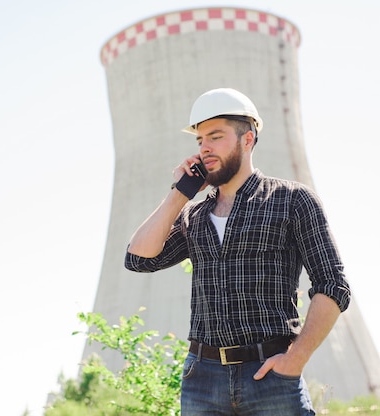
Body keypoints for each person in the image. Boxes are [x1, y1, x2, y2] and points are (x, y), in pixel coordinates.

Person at [124, 88, 351, 415]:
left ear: (248, 139)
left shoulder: (292, 200)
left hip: (270, 377)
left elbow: (333, 285)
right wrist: (179, 194)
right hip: (201, 379)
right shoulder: (194, 215)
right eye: (200, 140)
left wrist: (295, 359)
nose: (204, 148)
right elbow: (138, 259)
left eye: (215, 137)